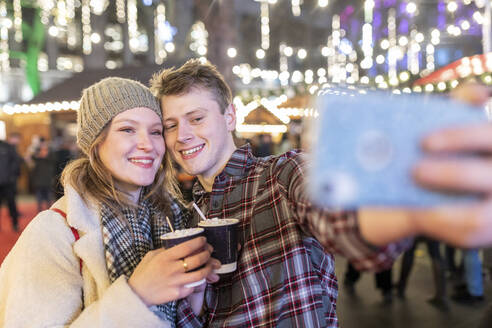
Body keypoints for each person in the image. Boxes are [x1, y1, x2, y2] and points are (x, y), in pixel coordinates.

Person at [150, 60, 492, 326]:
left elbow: (340, 222)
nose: (182, 136)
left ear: (229, 116)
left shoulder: (283, 175)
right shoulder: (183, 216)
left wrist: (411, 204)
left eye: (196, 118)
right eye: (171, 125)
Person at [0, 77, 220, 327]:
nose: (147, 144)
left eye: (156, 132)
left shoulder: (173, 218)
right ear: (96, 143)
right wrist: (137, 296)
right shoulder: (54, 232)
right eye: (127, 129)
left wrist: (195, 291)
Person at [0, 137, 19, 232]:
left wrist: (12, 177)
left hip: (8, 183)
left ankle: (15, 224)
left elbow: (15, 162)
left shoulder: (7, 147)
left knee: (11, 203)